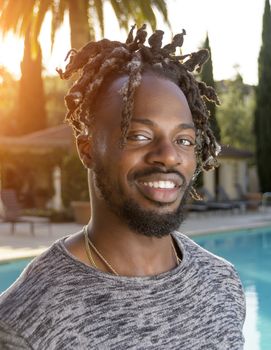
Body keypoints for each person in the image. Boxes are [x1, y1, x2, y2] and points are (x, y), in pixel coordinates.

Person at [0, 25, 246, 349]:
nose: (169, 156)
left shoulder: (222, 283)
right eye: (140, 135)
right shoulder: (27, 322)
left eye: (184, 140)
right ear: (87, 148)